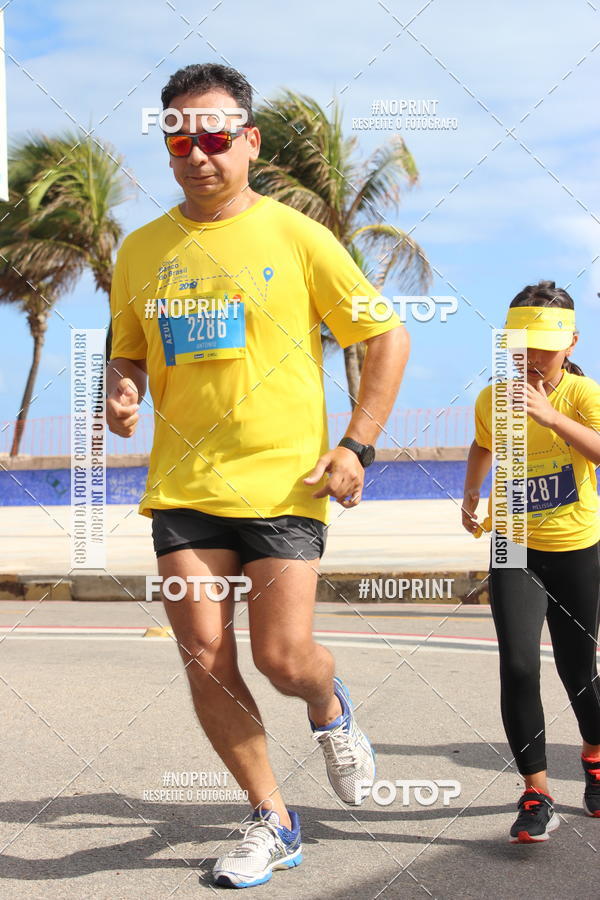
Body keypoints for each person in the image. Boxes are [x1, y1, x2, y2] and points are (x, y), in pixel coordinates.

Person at [106, 63, 409, 887]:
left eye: (214, 136)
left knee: (283, 658)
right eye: (179, 139)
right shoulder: (141, 249)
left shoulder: (298, 236)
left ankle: (330, 707)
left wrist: (356, 446)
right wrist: (121, 388)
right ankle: (273, 818)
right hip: (183, 487)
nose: (197, 153)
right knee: (204, 654)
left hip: (285, 485)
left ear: (249, 141)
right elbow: (128, 350)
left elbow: (385, 336)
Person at [462, 280, 600, 843]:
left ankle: (594, 756)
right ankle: (536, 792)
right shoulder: (492, 399)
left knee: (578, 670)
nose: (533, 358)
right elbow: (482, 444)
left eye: (545, 347)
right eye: (522, 347)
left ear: (571, 343)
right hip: (512, 544)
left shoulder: (583, 396)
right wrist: (471, 494)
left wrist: (550, 416)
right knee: (519, 667)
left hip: (575, 546)